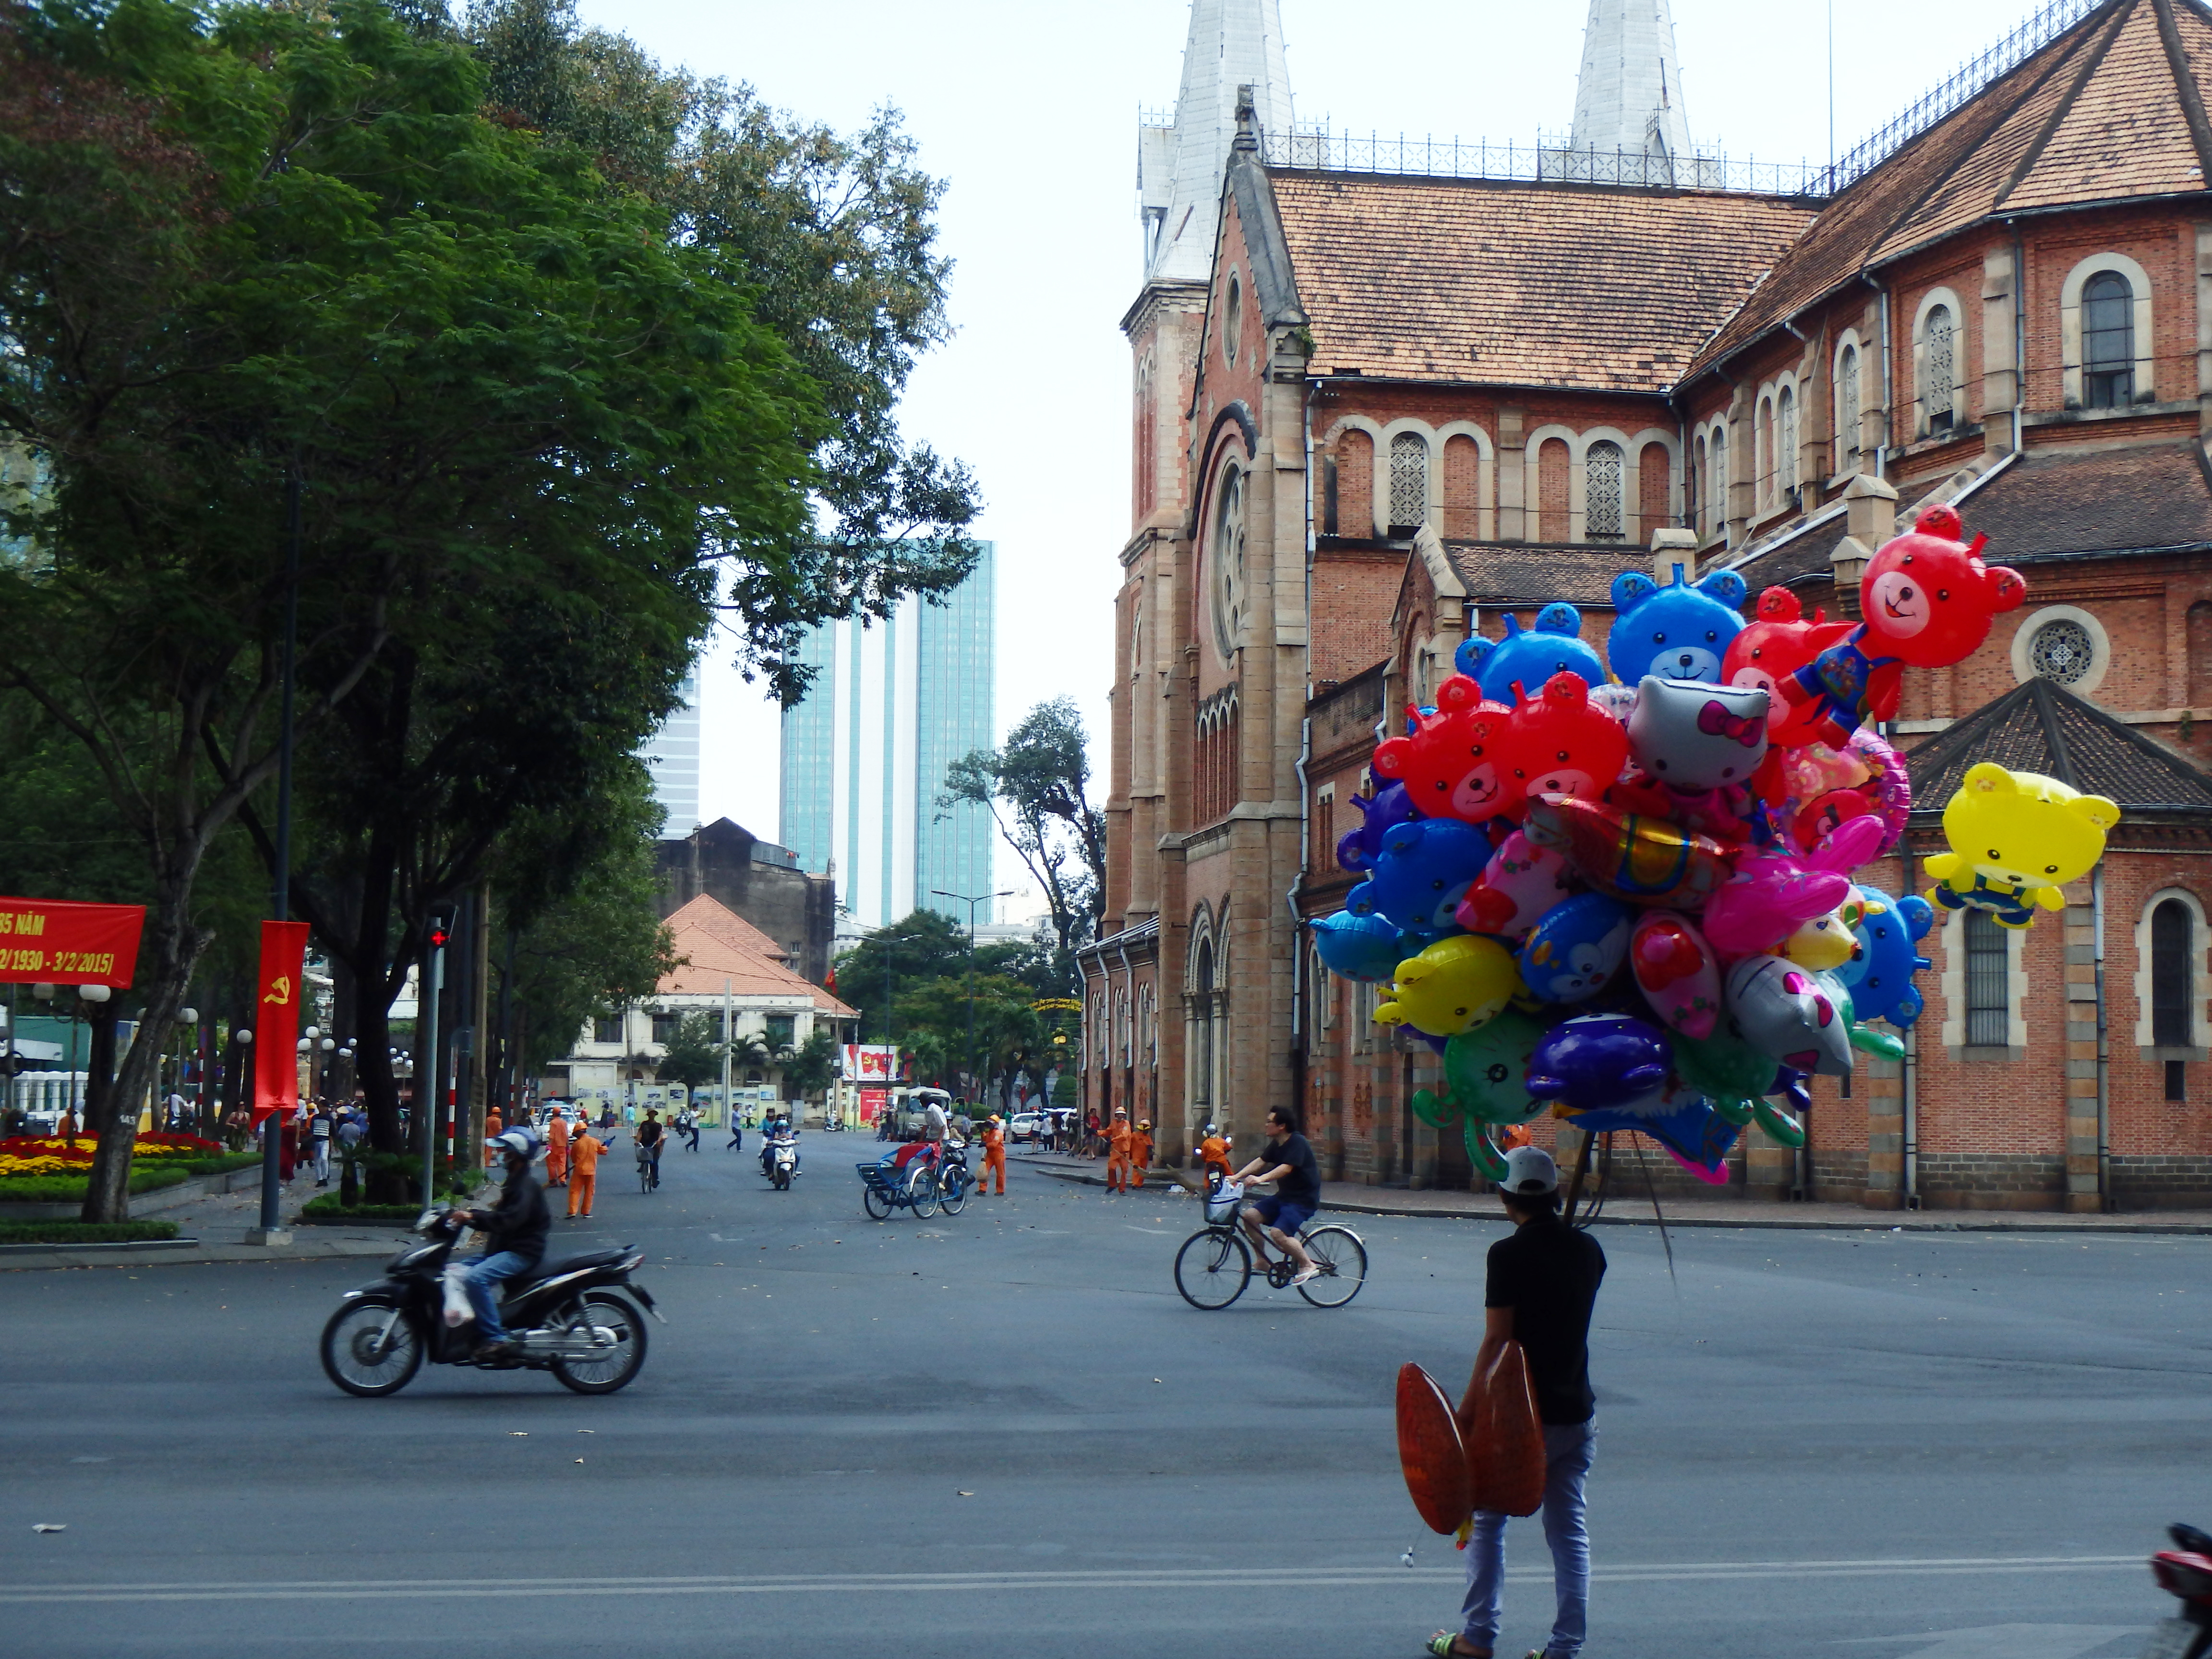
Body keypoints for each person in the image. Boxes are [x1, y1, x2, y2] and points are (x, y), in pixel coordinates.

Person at [1428, 1145, 1606, 1659]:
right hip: (1577, 1409)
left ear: (1505, 1196)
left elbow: (1498, 1342)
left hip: (1519, 1418)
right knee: (1569, 1530)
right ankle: (1565, 1648)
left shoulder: (1506, 1255)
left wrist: (1465, 1410)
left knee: (1487, 1518)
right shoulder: (1589, 1251)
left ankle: (1477, 1636)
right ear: (1555, 1194)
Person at [449, 1128, 551, 1363]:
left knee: (476, 1279)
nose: (501, 1154)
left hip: (521, 1253)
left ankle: (497, 1339)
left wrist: (473, 1217)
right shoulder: (514, 1182)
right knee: (455, 1271)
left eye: (505, 1151)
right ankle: (472, 1326)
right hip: (504, 1249)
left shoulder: (525, 1186)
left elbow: (508, 1221)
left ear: (517, 1154)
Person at [1231, 1107, 1320, 1284]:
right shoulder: (1277, 1144)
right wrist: (1236, 1176)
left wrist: (1261, 1179)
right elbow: (1260, 1161)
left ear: (1281, 1126)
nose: (1265, 1125)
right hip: (1284, 1197)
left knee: (1278, 1234)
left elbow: (1287, 1167)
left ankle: (1308, 1264)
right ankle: (1263, 1261)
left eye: (1269, 1122)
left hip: (1302, 1200)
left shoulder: (1298, 1142)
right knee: (1250, 1217)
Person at [566, 1121, 604, 1219]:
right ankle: (586, 1212)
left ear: (579, 1133)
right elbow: (603, 1151)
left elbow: (573, 1158)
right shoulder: (595, 1141)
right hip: (591, 1171)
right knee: (589, 1192)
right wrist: (605, 1147)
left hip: (579, 1170)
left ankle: (572, 1211)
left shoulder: (576, 1144)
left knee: (575, 1191)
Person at [1197, 1123, 1235, 1191]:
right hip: (1222, 1161)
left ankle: (1207, 1189)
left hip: (1211, 1162)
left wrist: (1204, 1160)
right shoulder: (1221, 1141)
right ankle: (1234, 1187)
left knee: (1207, 1177)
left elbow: (1204, 1155)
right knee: (1229, 1174)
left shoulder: (1206, 1143)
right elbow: (1228, 1147)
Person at [1103, 1107, 1133, 1193]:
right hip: (1115, 1150)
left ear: (1124, 1115)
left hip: (1124, 1151)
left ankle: (1122, 1189)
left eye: (1122, 1114)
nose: (1120, 1116)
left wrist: (1112, 1141)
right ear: (1116, 1115)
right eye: (1119, 1114)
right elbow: (1107, 1132)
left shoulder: (1126, 1124)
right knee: (1111, 1168)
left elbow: (1124, 1135)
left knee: (1124, 1171)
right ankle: (1112, 1185)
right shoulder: (1113, 1123)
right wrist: (1097, 1132)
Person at [635, 1108, 665, 1190]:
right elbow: (640, 1133)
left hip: (654, 1145)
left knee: (654, 1162)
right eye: (651, 1114)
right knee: (642, 1157)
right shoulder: (644, 1124)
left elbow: (661, 1134)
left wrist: (659, 1141)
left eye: (653, 1114)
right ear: (648, 1115)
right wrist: (637, 1141)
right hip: (645, 1144)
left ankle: (655, 1179)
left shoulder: (658, 1125)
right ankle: (643, 1166)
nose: (652, 1115)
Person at [977, 1114, 1007, 1196]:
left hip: (999, 1154)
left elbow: (994, 1144)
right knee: (985, 1171)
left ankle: (1000, 1190)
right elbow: (985, 1139)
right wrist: (982, 1130)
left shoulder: (998, 1134)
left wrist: (985, 1144)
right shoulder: (990, 1133)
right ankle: (982, 1189)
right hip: (990, 1154)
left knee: (1000, 1173)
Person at [309, 1104, 334, 1187]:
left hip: (325, 1140)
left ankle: (325, 1177)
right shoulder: (315, 1118)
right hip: (316, 1141)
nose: (322, 1108)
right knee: (317, 1161)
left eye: (324, 1106)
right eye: (320, 1107)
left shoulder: (329, 1119)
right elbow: (312, 1129)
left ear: (326, 1108)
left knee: (324, 1158)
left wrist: (332, 1144)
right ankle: (320, 1179)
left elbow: (332, 1131)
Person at [544, 1110, 570, 1189]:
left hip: (554, 1147)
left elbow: (552, 1136)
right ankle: (563, 1180)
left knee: (552, 1164)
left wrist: (549, 1146)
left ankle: (553, 1182)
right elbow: (566, 1136)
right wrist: (568, 1147)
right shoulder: (564, 1123)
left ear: (553, 1114)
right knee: (562, 1164)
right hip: (563, 1146)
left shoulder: (553, 1123)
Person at [1129, 1118, 1154, 1189]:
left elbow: (1151, 1145)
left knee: (1143, 1170)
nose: (1147, 1131)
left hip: (1145, 1156)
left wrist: (1150, 1147)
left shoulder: (1148, 1137)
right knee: (1137, 1169)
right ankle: (1135, 1183)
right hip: (1136, 1155)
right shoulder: (1134, 1135)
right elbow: (1128, 1141)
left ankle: (1140, 1184)